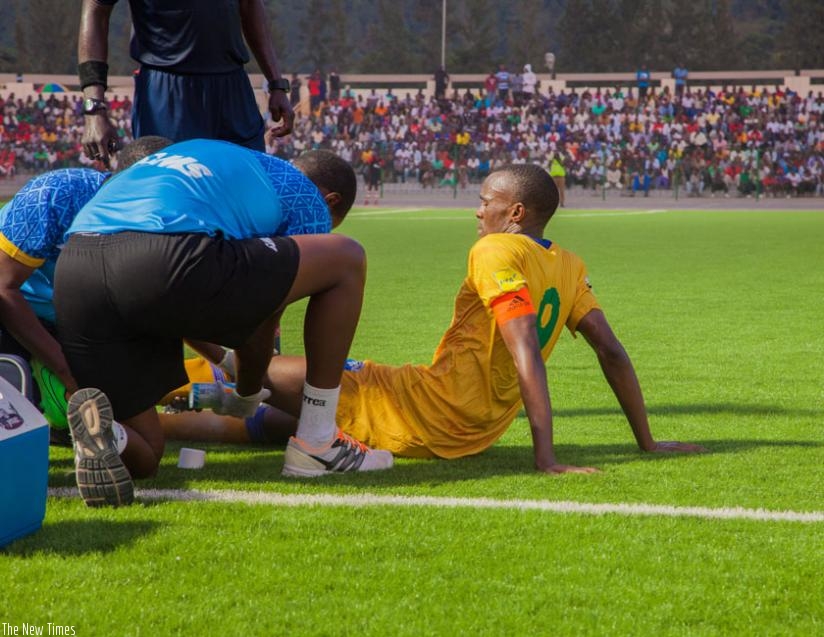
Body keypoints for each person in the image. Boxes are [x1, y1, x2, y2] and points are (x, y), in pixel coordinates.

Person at [183, 164, 706, 473]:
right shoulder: (569, 266)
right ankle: (175, 413)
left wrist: (545, 456)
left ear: (516, 213)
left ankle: (184, 354)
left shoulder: (497, 251)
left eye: (486, 202)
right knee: (281, 423)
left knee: (271, 370)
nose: (478, 212)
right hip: (471, 428)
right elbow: (611, 352)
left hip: (429, 408)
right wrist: (647, 442)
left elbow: (524, 348)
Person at [54, 139, 392, 507]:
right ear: (331, 201)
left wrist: (225, 364)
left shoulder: (217, 170)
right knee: (346, 258)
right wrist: (247, 391)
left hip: (76, 268)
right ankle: (317, 441)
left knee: (148, 454)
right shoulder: (306, 197)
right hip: (161, 255)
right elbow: (259, 318)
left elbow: (185, 297)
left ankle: (110, 435)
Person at [0, 136, 173, 439]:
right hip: (13, 315)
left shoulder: (161, 219)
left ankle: (59, 417)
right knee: (16, 421)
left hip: (76, 324)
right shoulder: (56, 195)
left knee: (146, 446)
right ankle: (32, 386)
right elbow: (3, 289)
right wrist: (68, 372)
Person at [77, 0, 294, 166]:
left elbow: (249, 4)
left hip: (233, 87)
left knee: (249, 194)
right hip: (168, 92)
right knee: (175, 199)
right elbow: (96, 8)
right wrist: (94, 109)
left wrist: (276, 82)